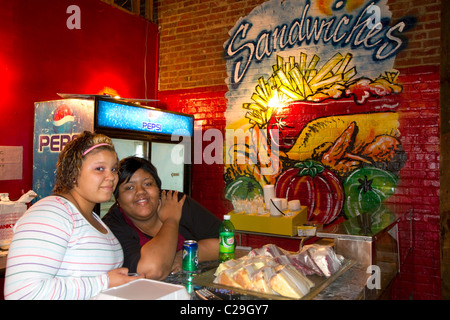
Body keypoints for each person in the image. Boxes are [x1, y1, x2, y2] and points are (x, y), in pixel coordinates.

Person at [4, 131, 139, 300]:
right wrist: (103, 283)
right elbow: (21, 293)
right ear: (73, 172)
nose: (111, 176)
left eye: (114, 169)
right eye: (99, 169)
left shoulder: (92, 218)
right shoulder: (51, 213)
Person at [102, 156, 221, 280]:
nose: (141, 192)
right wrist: (171, 220)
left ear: (158, 189)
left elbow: (225, 242)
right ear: (118, 199)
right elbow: (152, 271)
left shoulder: (176, 202)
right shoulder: (112, 226)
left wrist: (183, 256)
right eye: (129, 187)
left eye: (147, 184)